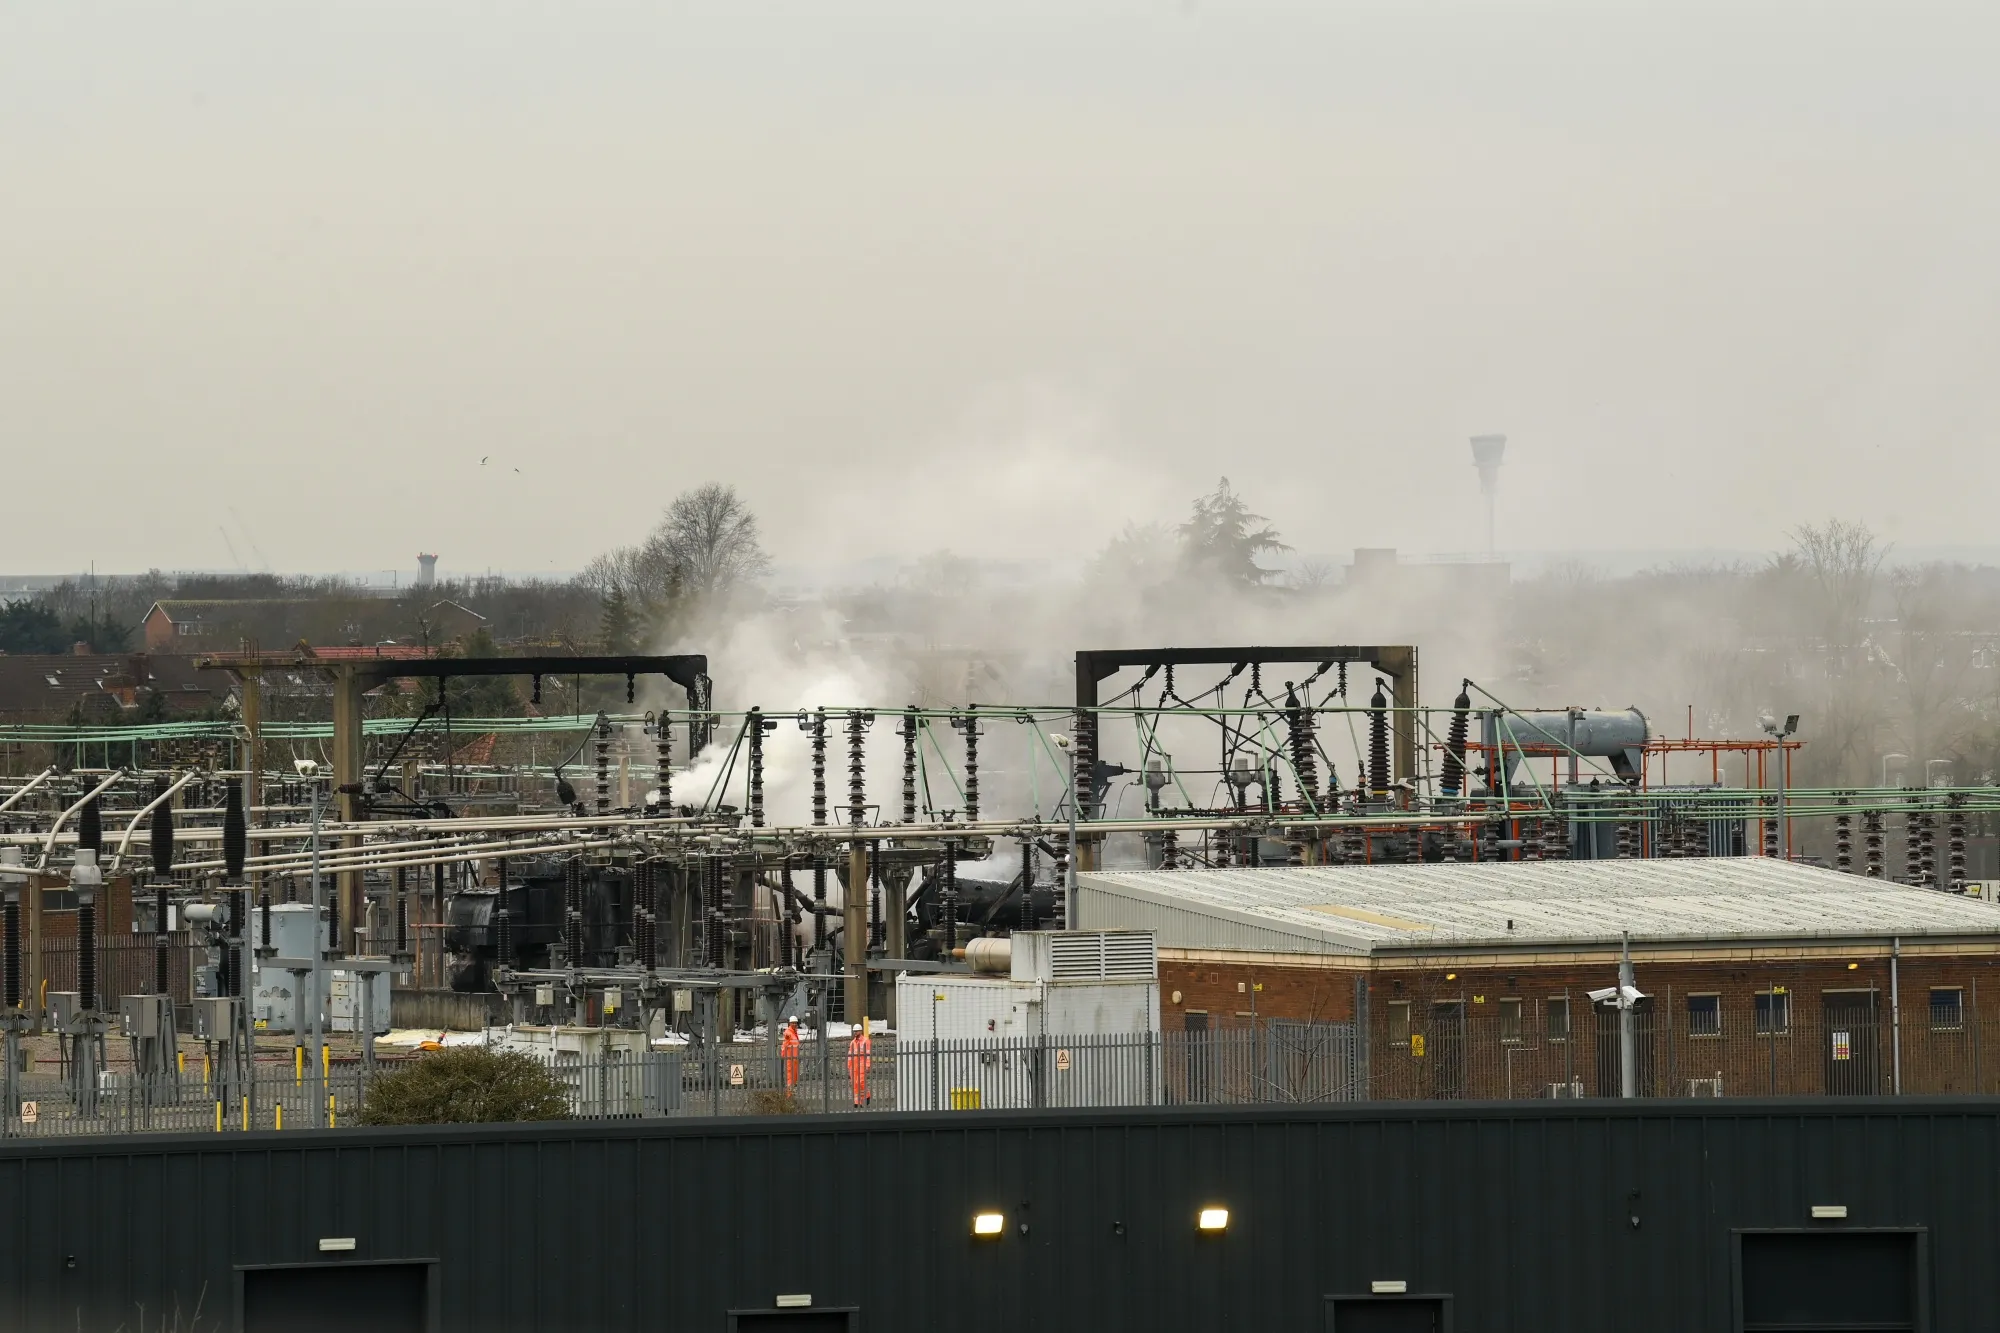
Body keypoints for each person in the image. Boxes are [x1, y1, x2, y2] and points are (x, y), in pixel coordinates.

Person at [846, 1017, 873, 1107]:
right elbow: (850, 1055)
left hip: (862, 1065)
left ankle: (865, 1097)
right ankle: (857, 1102)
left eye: (856, 1031)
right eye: (854, 1031)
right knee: (855, 1084)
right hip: (854, 1066)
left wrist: (867, 1065)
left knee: (861, 1082)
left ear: (860, 1031)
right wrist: (849, 1066)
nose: (855, 1033)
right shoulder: (852, 1042)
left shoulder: (866, 1041)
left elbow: (868, 1054)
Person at [780, 1015, 802, 1092]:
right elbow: (784, 1044)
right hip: (790, 1057)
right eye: (793, 1023)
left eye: (795, 1023)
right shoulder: (788, 1032)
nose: (794, 1024)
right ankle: (789, 1093)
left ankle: (792, 1091)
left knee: (795, 1076)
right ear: (789, 1023)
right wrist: (783, 1054)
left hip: (795, 1058)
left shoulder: (794, 1032)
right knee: (790, 1075)